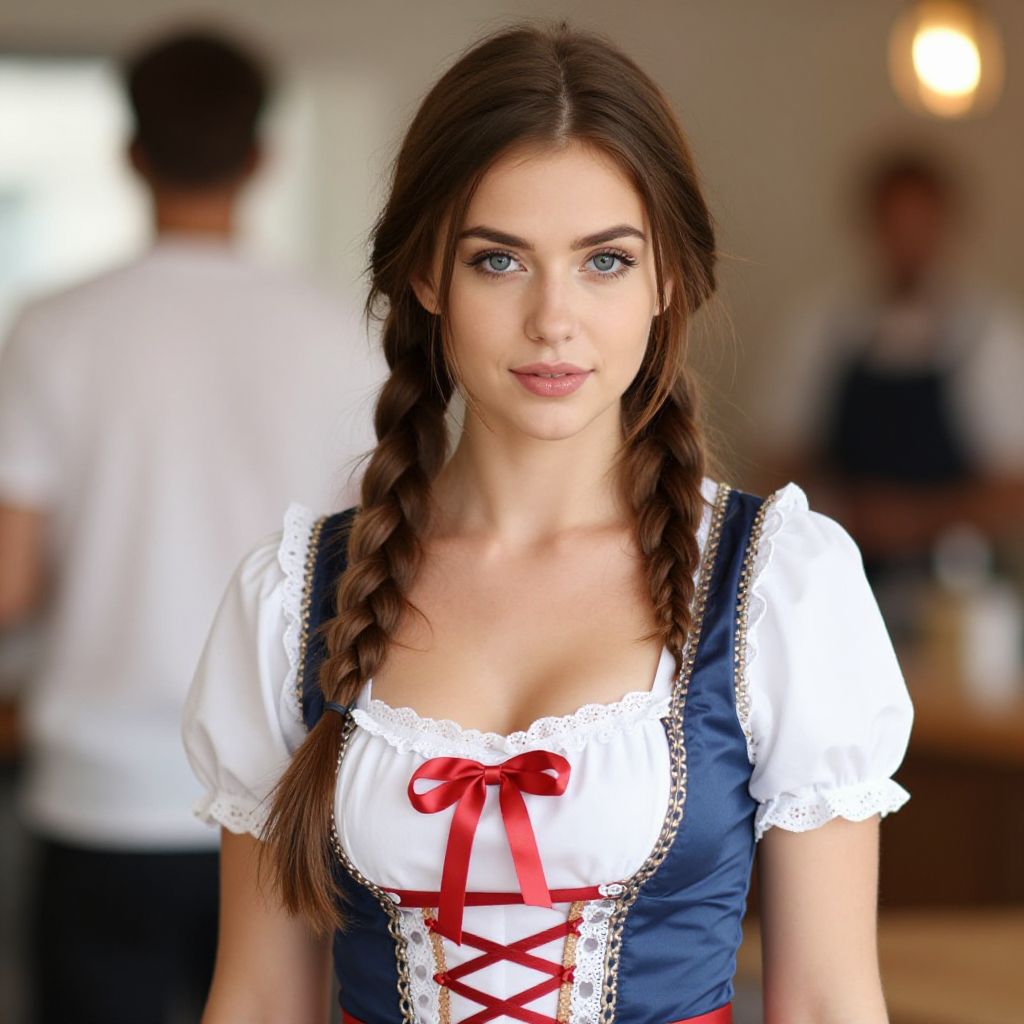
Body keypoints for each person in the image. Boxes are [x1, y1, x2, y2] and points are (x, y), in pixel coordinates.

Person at [183, 24, 914, 1024]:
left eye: (605, 262)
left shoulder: (777, 586)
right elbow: (260, 999)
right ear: (428, 278)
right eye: (499, 261)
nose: (554, 319)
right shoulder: (292, 596)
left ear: (667, 280)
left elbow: (829, 1002)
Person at [0, 28, 383, 1024]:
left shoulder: (54, 327)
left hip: (100, 791)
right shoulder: (343, 335)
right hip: (290, 789)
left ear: (129, 152)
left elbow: (9, 581)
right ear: (265, 156)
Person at [756, 152, 1024, 577]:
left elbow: (1013, 487)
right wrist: (836, 509)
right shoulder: (823, 327)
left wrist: (915, 521)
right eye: (895, 225)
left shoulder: (988, 332)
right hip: (841, 570)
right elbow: (776, 458)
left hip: (956, 583)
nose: (908, 243)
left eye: (920, 225)